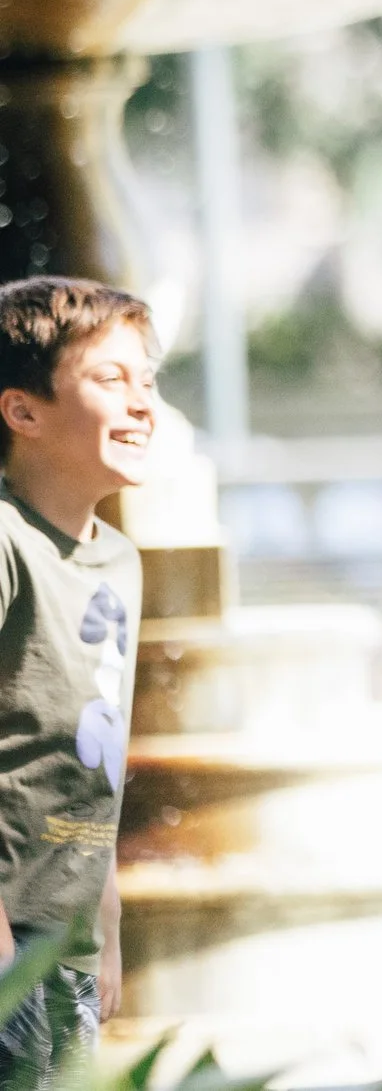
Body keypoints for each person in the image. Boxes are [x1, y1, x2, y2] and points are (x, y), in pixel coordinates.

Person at [0, 278, 155, 1087]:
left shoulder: (118, 562)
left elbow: (95, 762)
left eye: (149, 381)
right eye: (110, 380)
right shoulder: (5, 541)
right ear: (22, 410)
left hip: (65, 949)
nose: (143, 404)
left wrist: (108, 922)